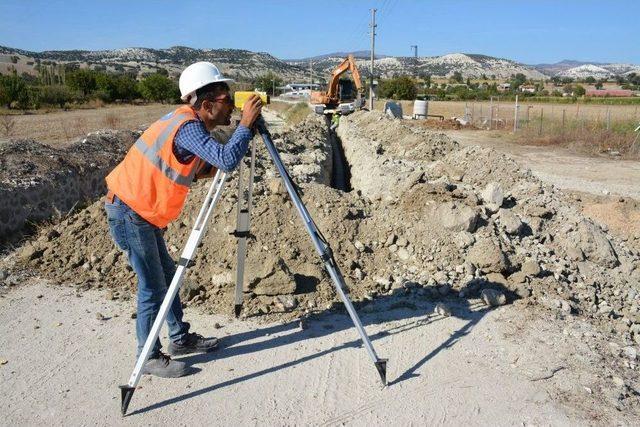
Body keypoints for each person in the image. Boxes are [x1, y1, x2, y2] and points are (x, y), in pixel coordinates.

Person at [104, 62, 262, 378]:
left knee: (168, 276)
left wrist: (241, 135)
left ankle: (179, 339)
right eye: (227, 100)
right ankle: (147, 356)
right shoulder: (187, 127)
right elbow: (226, 160)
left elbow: (201, 168)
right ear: (206, 105)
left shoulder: (187, 123)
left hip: (140, 212)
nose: (232, 105)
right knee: (153, 286)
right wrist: (245, 125)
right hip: (130, 212)